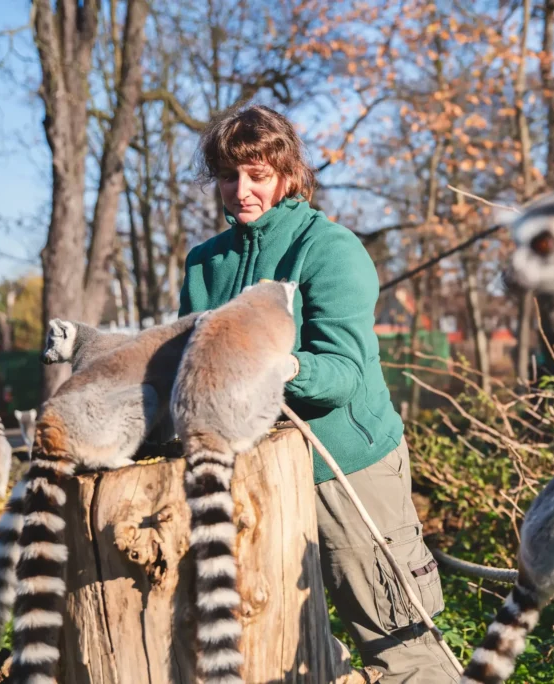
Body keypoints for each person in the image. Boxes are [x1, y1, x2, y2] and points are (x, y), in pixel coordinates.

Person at [178, 103, 460, 684]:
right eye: (230, 177)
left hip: (346, 468)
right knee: (278, 640)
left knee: (397, 641)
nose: (242, 190)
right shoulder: (204, 263)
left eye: (257, 175)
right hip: (255, 478)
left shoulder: (329, 249)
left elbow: (344, 373)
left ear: (288, 175)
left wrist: (271, 364)